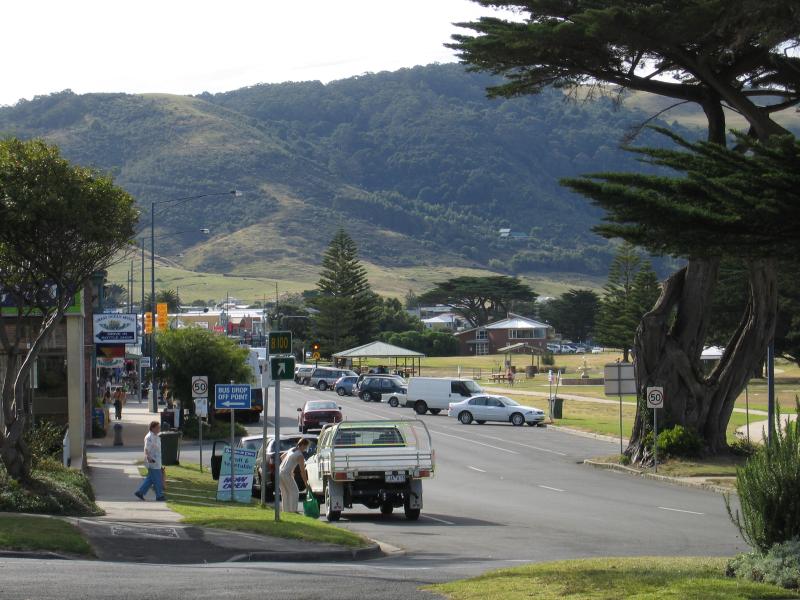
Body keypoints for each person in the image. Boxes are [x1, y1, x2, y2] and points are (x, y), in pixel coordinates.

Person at [134, 421, 165, 501]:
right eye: (158, 427)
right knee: (158, 478)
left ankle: (140, 492)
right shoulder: (149, 437)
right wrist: (149, 458)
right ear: (153, 428)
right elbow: (146, 449)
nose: (159, 429)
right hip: (152, 461)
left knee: (150, 479)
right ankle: (159, 495)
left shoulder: (155, 436)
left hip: (157, 461)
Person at [279, 438, 310, 513]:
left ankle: (286, 511)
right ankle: (293, 511)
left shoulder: (292, 449)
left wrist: (290, 469)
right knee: (295, 491)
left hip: (279, 472)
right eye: (305, 447)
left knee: (285, 493)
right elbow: (302, 471)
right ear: (302, 445)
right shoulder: (300, 456)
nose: (305, 449)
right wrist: (306, 483)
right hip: (286, 474)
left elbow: (282, 457)